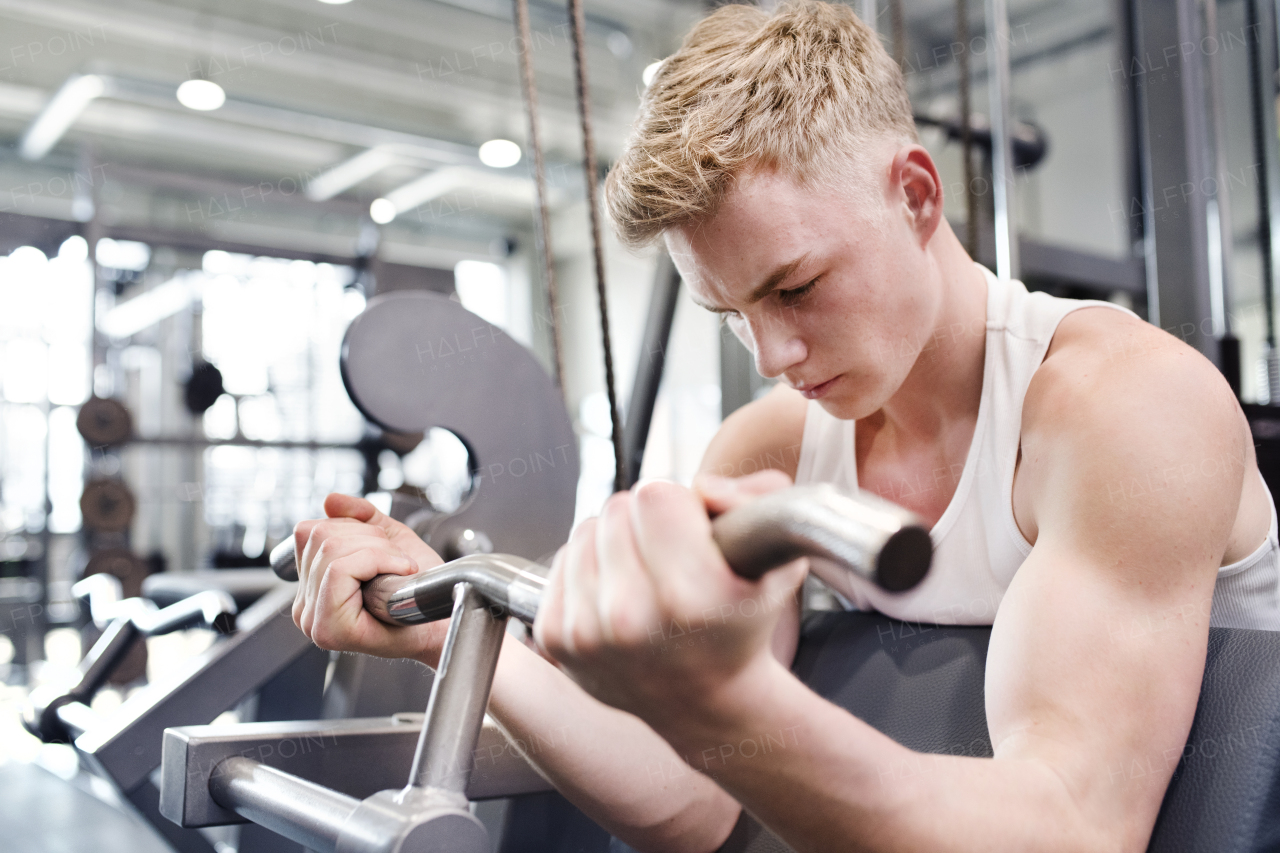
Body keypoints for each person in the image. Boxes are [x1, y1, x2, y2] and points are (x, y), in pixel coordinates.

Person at [290, 2, 1280, 850]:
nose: (769, 358)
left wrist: (725, 700)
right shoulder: (771, 450)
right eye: (732, 314)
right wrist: (455, 633)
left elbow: (1071, 827)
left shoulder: (1124, 405)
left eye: (796, 287)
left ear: (916, 195)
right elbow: (692, 802)